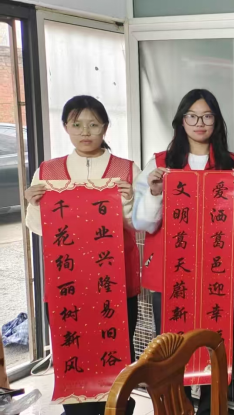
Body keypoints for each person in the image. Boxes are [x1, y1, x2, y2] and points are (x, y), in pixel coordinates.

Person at [132, 88, 234, 415]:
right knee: (171, 347)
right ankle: (179, 408)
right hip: (170, 273)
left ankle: (210, 409)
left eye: (207, 116)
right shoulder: (158, 164)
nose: (199, 123)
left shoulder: (232, 163)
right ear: (181, 121)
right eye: (192, 116)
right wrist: (155, 193)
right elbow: (142, 223)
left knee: (215, 342)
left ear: (216, 121)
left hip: (215, 270)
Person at [24, 95, 140, 415]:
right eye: (76, 124)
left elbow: (141, 224)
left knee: (118, 358)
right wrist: (33, 202)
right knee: (71, 352)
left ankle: (118, 408)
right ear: (65, 127)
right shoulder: (48, 170)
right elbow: (39, 228)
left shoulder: (126, 169)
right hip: (67, 283)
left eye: (93, 124)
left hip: (115, 282)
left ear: (105, 127)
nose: (85, 132)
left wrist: (130, 199)